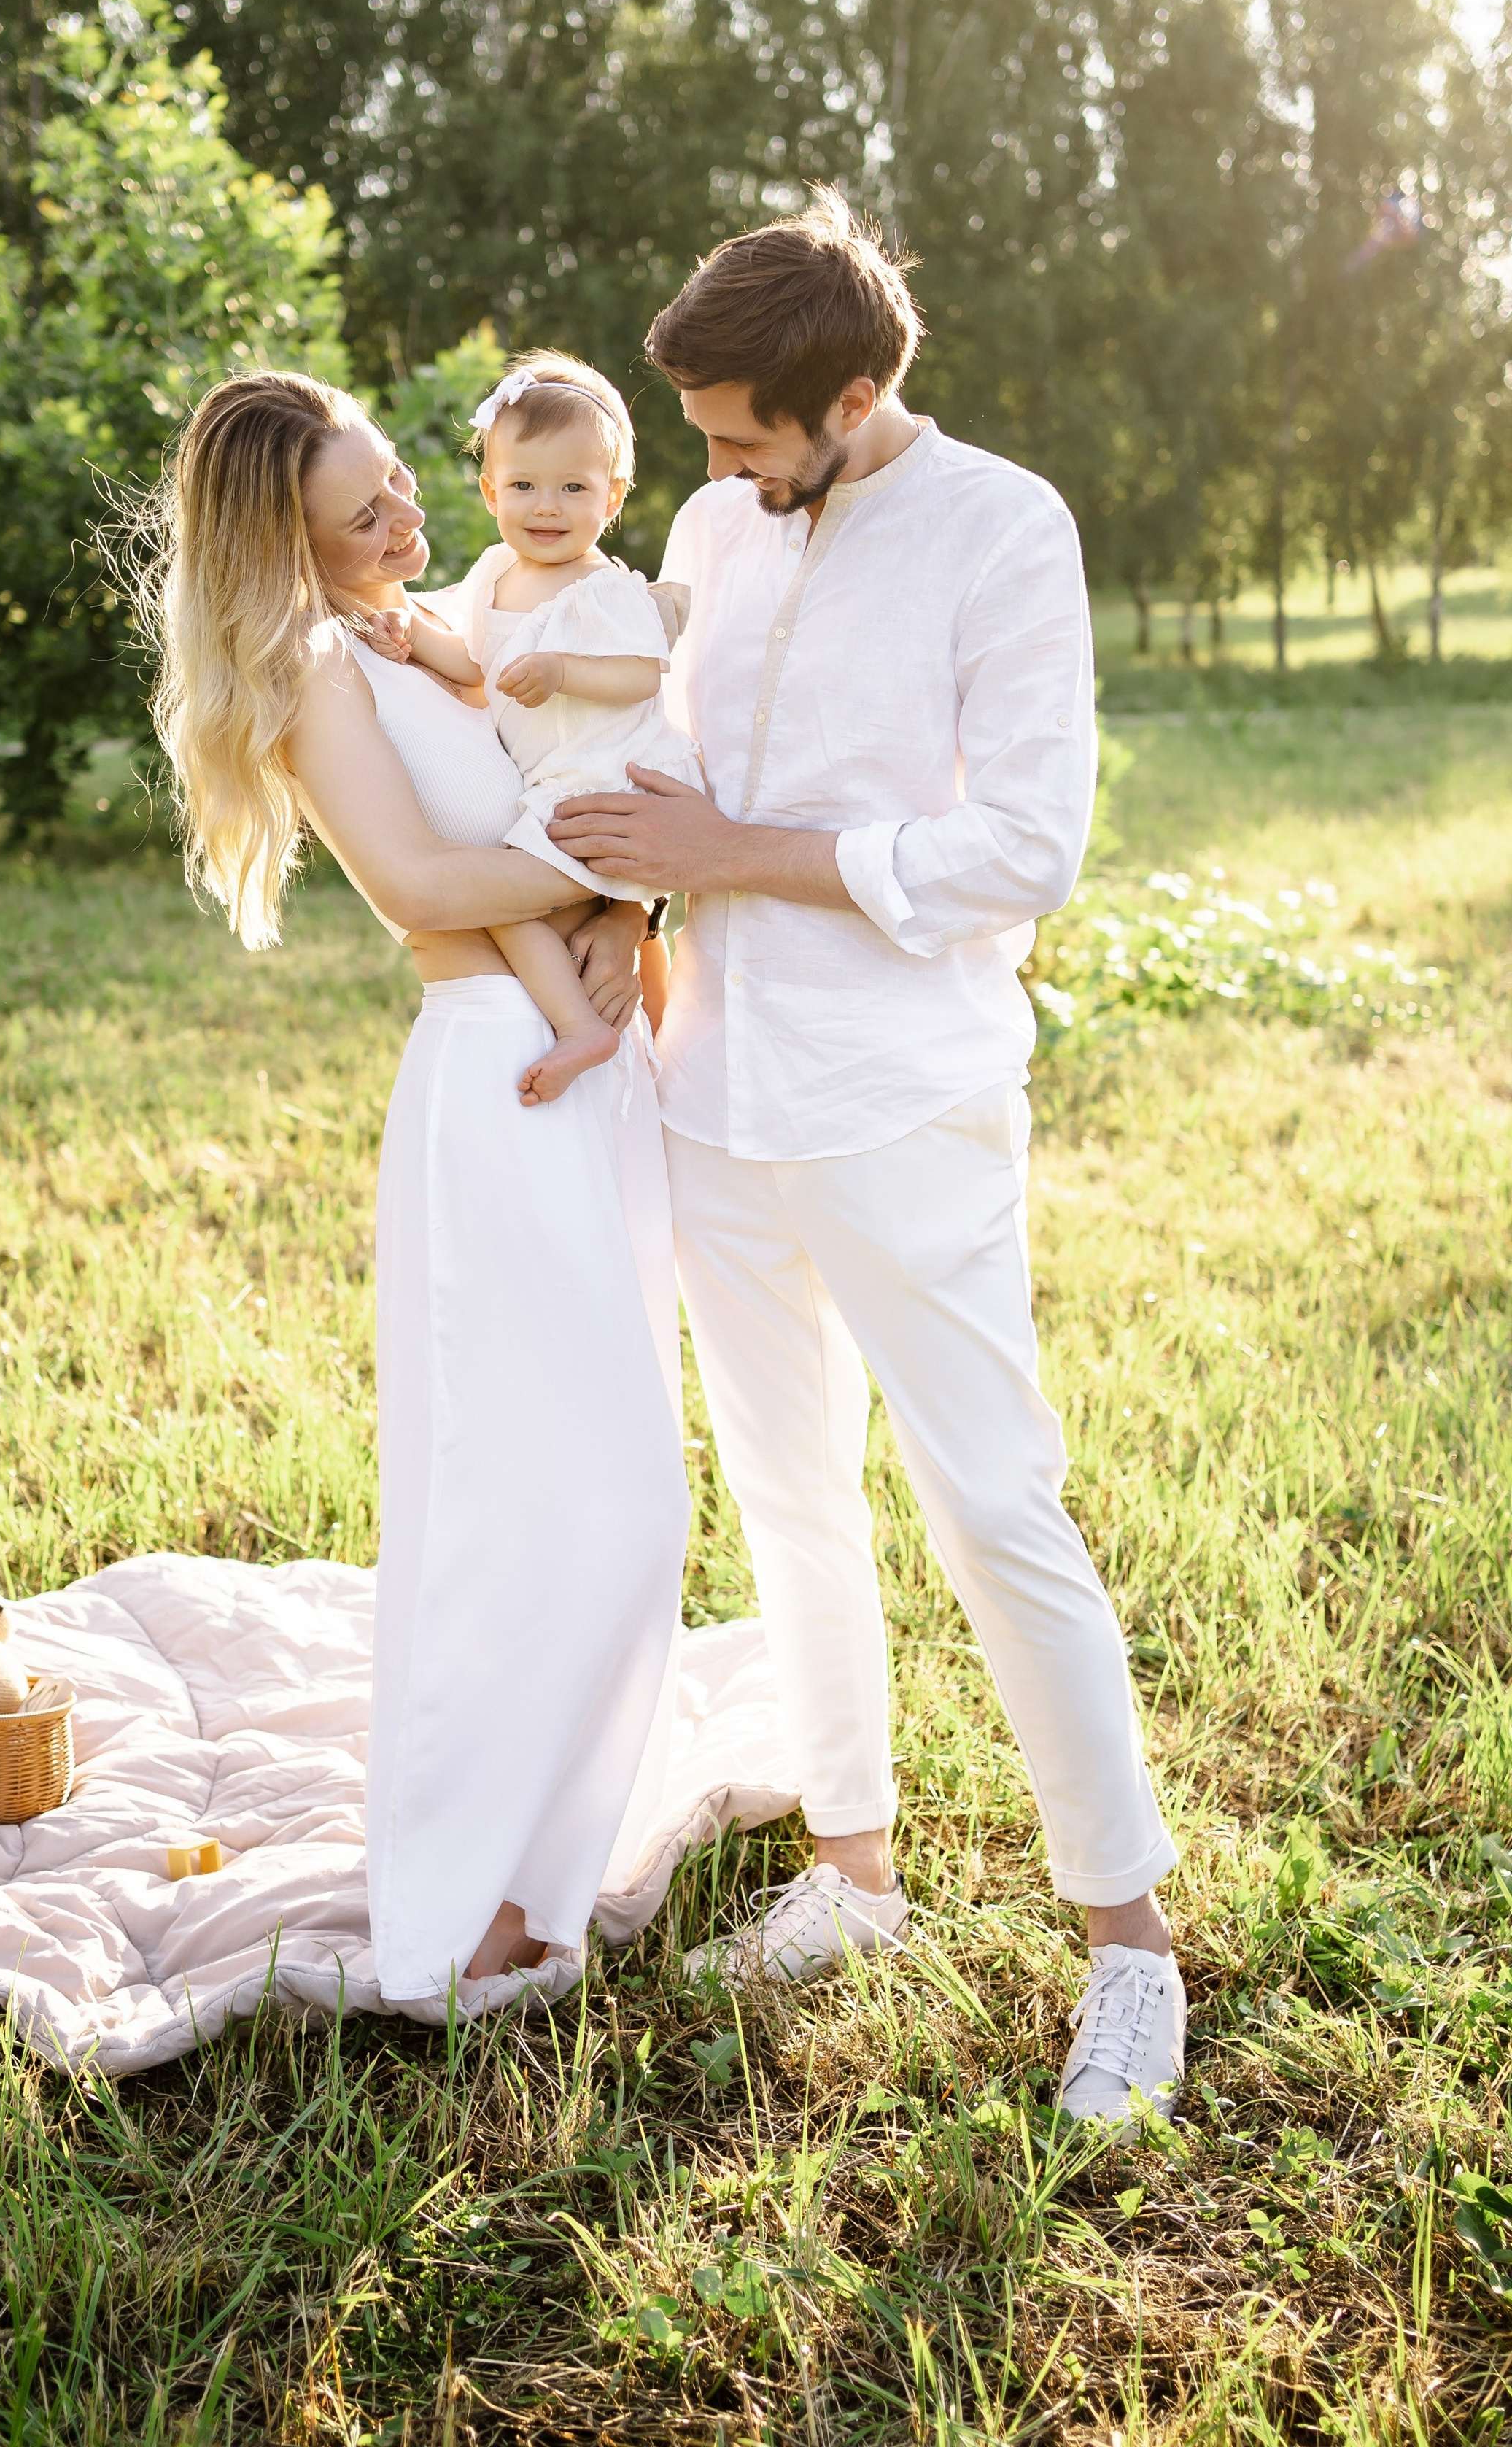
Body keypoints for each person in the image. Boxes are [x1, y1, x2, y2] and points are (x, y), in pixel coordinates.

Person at [547, 190, 1187, 2122]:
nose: (720, 471)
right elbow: (684, 775)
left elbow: (1024, 852)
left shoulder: (1005, 526)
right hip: (711, 1088)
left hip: (902, 1097)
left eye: (746, 434)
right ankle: (856, 1871)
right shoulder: (716, 529)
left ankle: (1132, 1951)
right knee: (787, 1496)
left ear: (849, 393)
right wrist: (616, 886)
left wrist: (738, 856)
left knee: (995, 1508)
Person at [142, 368, 688, 2020]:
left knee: (617, 1486)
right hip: (495, 1084)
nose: (407, 519)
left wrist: (641, 901)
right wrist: (650, 855)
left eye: (396, 479)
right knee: (532, 1494)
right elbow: (426, 887)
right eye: (361, 510)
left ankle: (538, 1853)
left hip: (592, 1078)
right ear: (284, 544)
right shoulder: (313, 666)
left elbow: (581, 739)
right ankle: (467, 1892)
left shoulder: (423, 622)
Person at [373, 352, 701, 1102]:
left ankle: (582, 1029)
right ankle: (593, 1033)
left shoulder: (604, 587)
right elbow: (473, 662)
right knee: (503, 900)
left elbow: (639, 674)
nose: (545, 507)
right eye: (523, 485)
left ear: (612, 497)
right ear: (490, 490)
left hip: (601, 785)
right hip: (549, 788)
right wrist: (413, 640)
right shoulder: (493, 575)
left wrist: (562, 672)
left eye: (573, 488)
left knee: (495, 897)